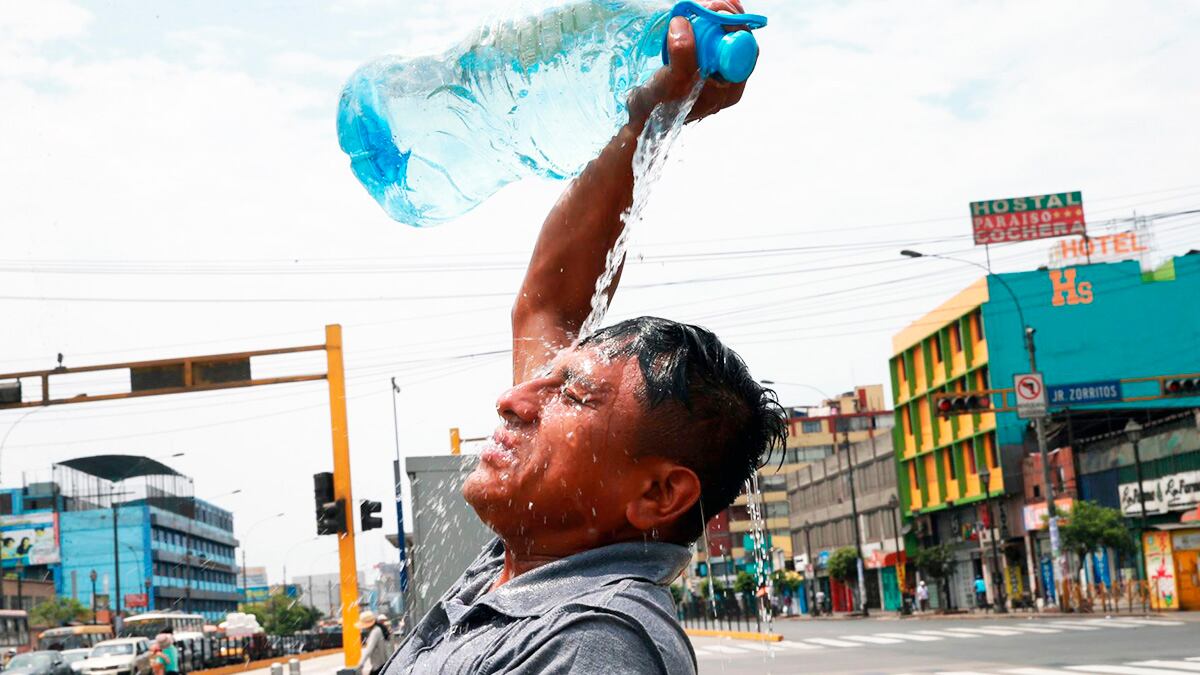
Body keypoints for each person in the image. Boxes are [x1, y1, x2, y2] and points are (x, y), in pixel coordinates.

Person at [382, 2, 783, 673]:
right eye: (552, 376)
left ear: (657, 495)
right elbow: (551, 300)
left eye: (571, 393)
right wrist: (653, 119)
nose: (513, 400)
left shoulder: (594, 644)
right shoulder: (529, 565)